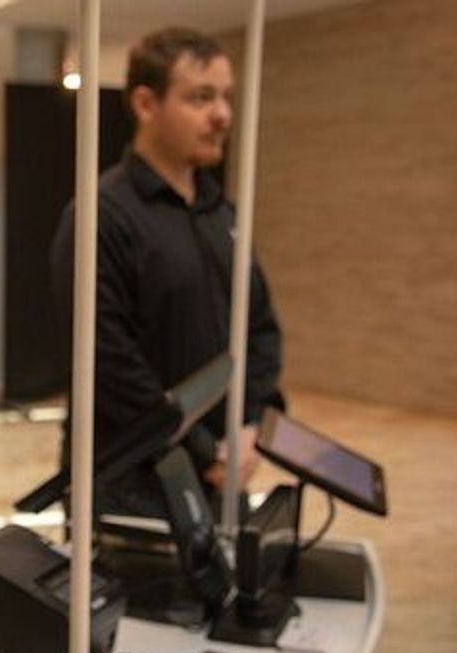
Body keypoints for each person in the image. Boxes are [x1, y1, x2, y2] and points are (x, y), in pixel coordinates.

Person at [50, 27, 284, 518]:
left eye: (226, 97)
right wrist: (203, 449)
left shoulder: (222, 214)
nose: (222, 115)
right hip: (132, 489)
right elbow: (107, 362)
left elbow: (260, 327)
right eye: (201, 97)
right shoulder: (102, 215)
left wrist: (251, 427)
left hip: (222, 476)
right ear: (145, 104)